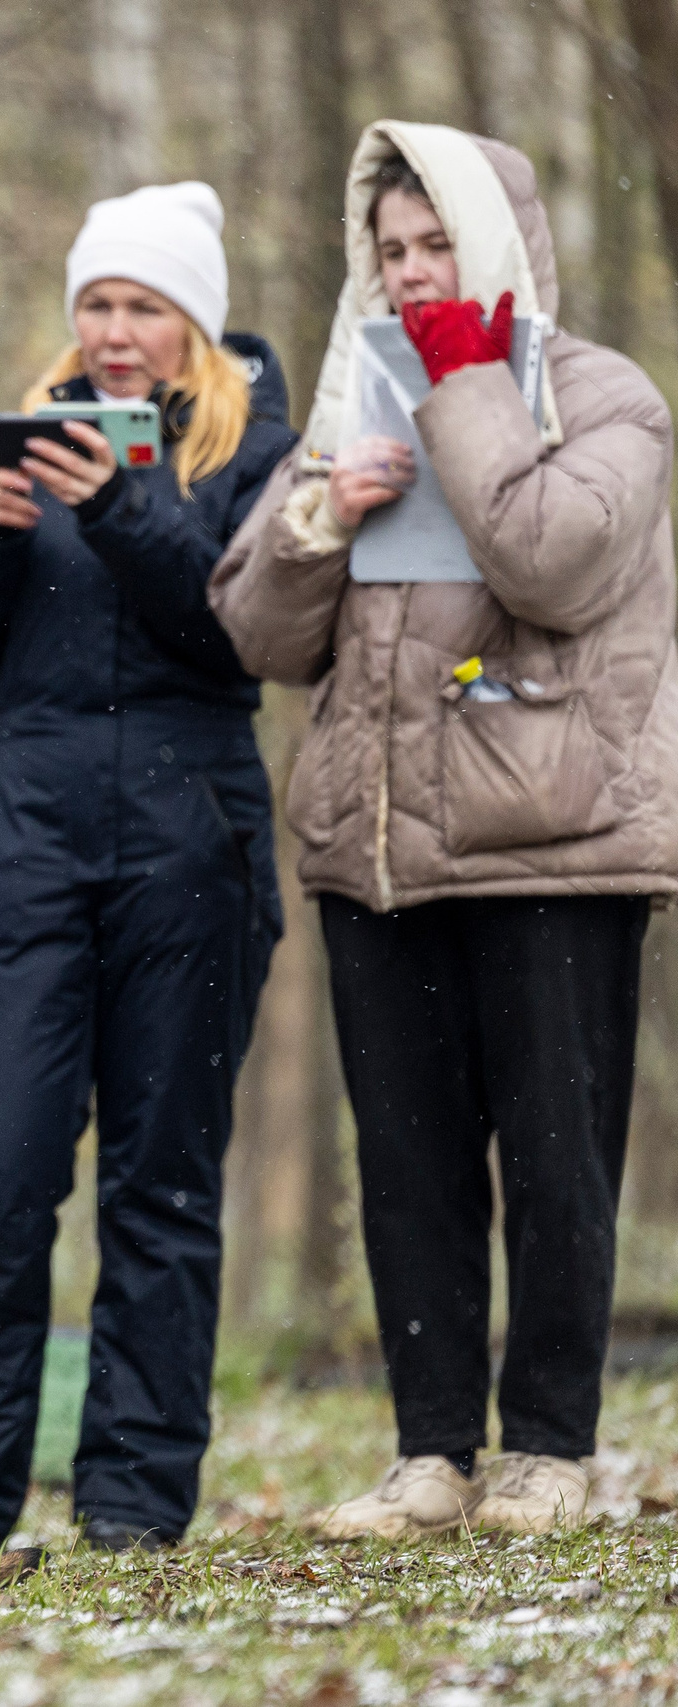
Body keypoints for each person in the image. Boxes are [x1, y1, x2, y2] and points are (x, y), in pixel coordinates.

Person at [211, 123, 678, 1541]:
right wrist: (316, 517)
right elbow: (259, 634)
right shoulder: (358, 392)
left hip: (555, 839)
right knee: (408, 1160)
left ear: (497, 246)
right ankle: (431, 1450)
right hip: (383, 845)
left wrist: (467, 386)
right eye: (392, 252)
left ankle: (547, 1445)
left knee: (553, 1152)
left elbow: (556, 558)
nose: (413, 276)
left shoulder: (610, 397)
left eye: (437, 248)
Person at [0, 182, 298, 1555]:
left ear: (194, 324)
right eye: (98, 304)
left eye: (145, 308)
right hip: (28, 848)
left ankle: (132, 1498)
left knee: (162, 1182)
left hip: (198, 842)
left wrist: (120, 501)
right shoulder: (24, 441)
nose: (116, 333)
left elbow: (239, 631)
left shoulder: (255, 449)